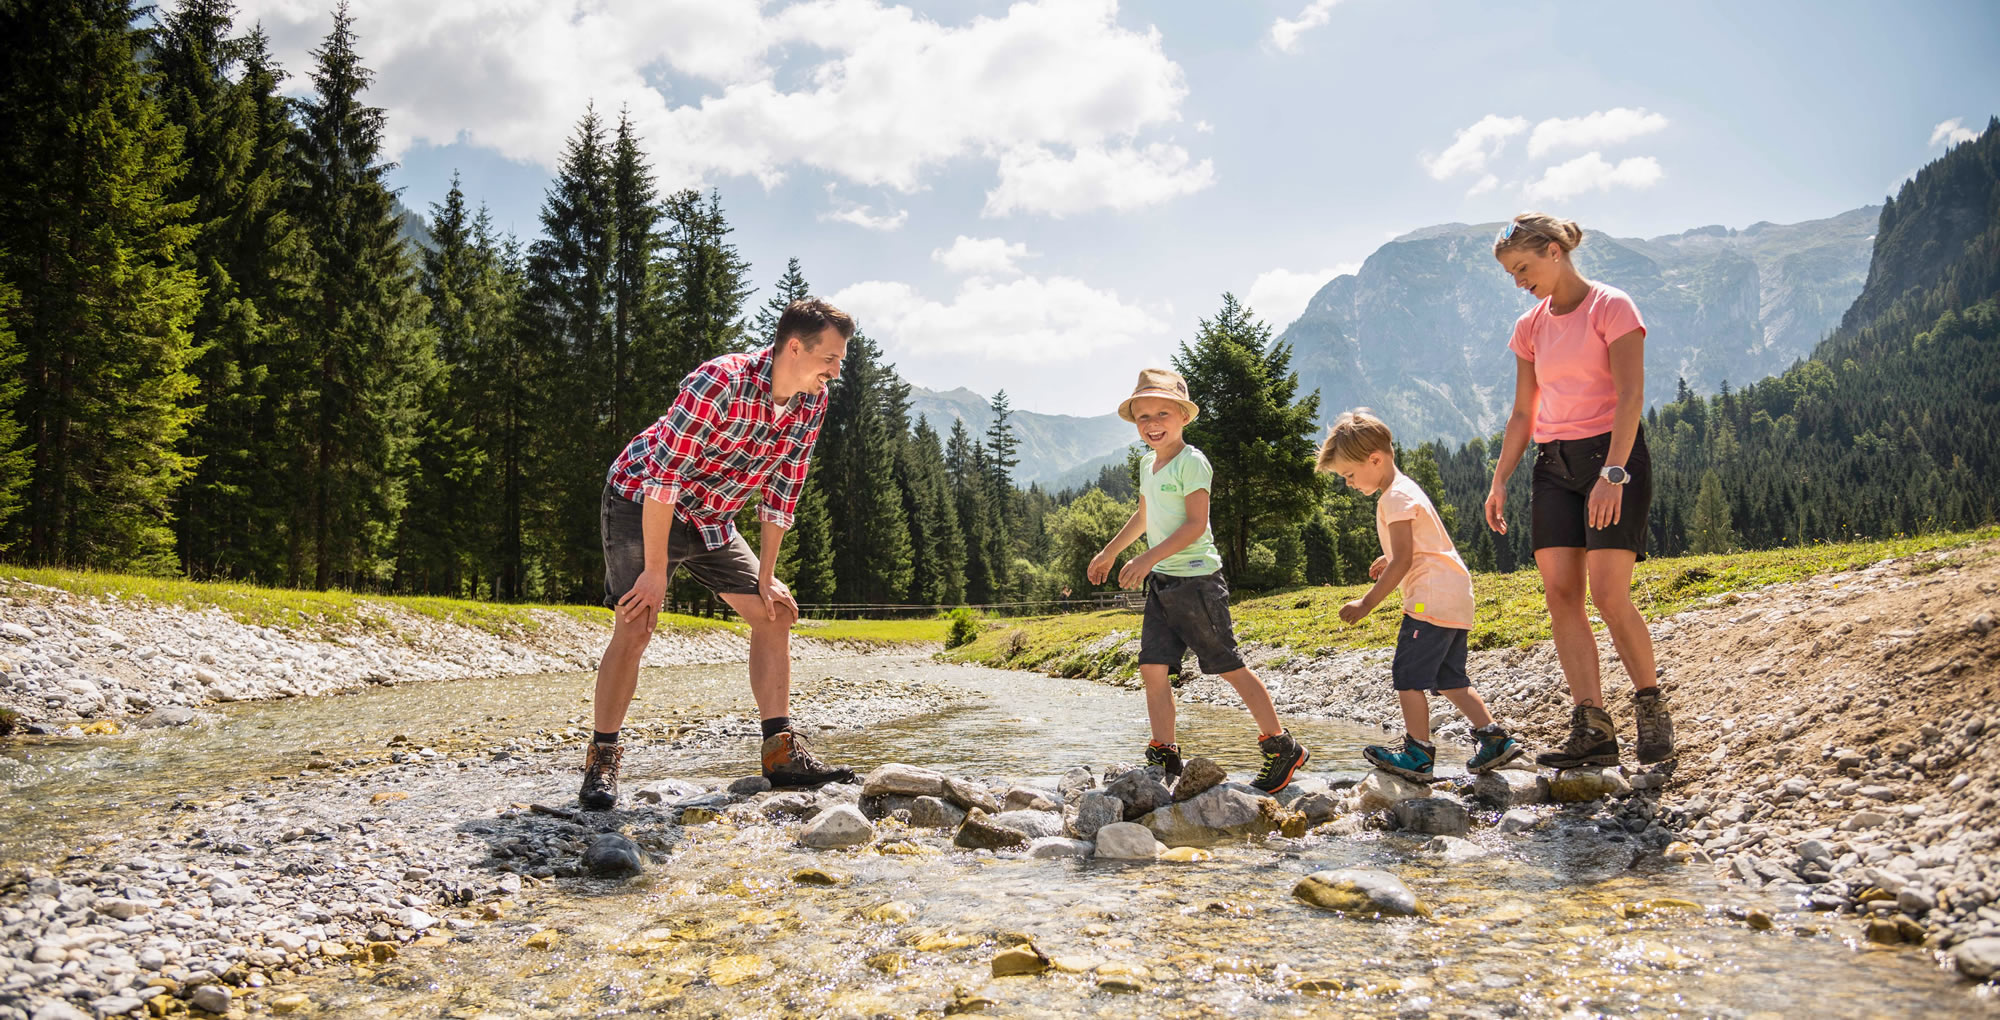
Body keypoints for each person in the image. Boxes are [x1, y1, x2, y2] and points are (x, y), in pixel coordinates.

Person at [579, 298, 858, 811]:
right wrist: (657, 571)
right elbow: (664, 477)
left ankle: (780, 754)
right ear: (795, 348)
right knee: (638, 622)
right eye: (831, 360)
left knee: (775, 613)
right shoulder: (720, 381)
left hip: (712, 516)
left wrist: (767, 577)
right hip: (641, 498)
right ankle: (602, 759)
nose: (836, 372)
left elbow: (781, 496)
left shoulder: (810, 405)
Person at [1483, 212, 1676, 769]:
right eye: (1511, 274)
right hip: (1553, 465)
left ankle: (1650, 708)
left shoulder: (1612, 307)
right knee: (1561, 596)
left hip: (1611, 457)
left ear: (1553, 250)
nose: (1520, 281)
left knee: (1609, 593)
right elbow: (1524, 411)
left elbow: (1631, 395)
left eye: (1524, 268)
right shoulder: (1530, 326)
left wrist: (1613, 473)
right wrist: (1500, 480)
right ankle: (1593, 727)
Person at [1087, 368, 1311, 792]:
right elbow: (1145, 514)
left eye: (1162, 414)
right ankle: (1164, 751)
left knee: (1227, 665)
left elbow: (1194, 526)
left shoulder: (1193, 462)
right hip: (1163, 585)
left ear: (1184, 417)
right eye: (1143, 417)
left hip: (1198, 582)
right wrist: (1111, 551)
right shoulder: (1147, 464)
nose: (1152, 424)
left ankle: (1281, 746)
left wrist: (1146, 558)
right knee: (1153, 668)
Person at [1319, 409, 1524, 780]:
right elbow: (1417, 545)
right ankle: (1493, 738)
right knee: (1449, 678)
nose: (1347, 483)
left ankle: (1417, 752)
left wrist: (1366, 603)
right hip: (1455, 593)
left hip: (1428, 597)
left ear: (1375, 459)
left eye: (1349, 475)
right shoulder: (1406, 488)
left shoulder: (1393, 498)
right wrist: (1390, 555)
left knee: (1408, 674)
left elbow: (1405, 561)